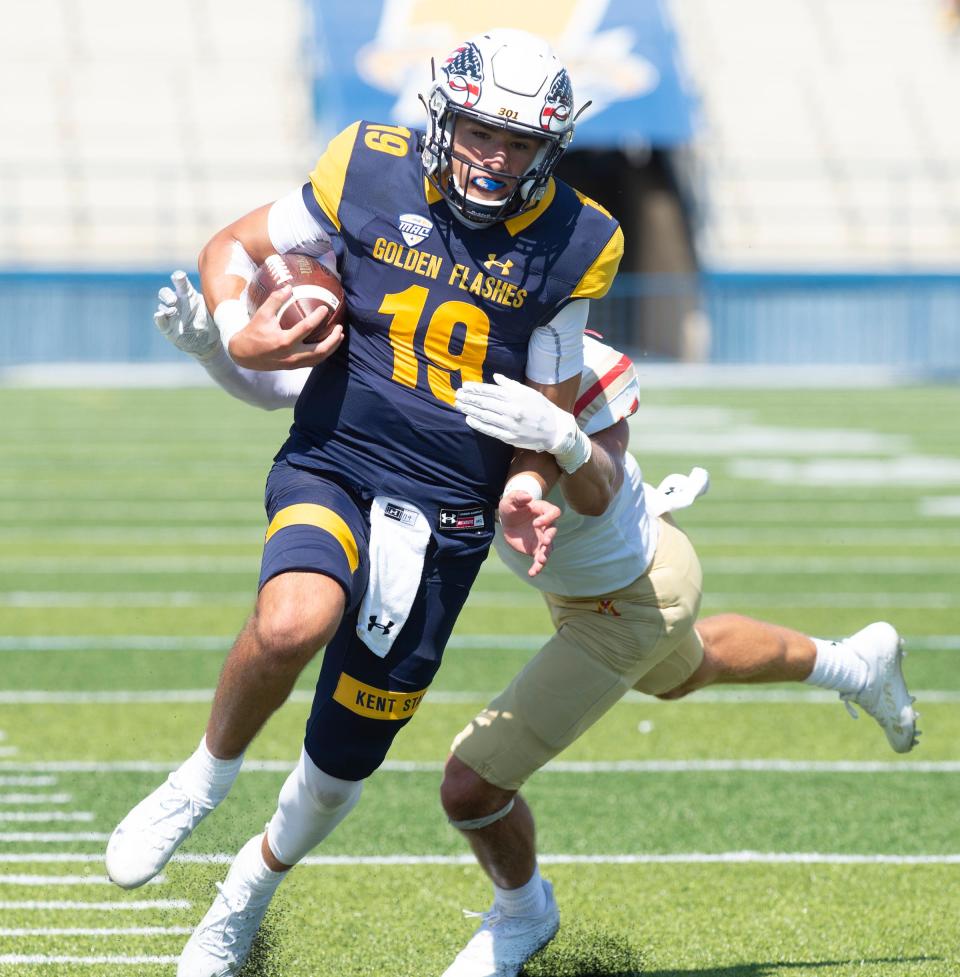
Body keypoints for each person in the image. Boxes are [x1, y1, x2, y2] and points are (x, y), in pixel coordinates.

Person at [154, 280, 919, 977]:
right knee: (687, 670)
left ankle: (524, 911)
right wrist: (212, 350)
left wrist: (561, 434)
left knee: (472, 784)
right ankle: (854, 663)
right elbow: (290, 388)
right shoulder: (444, 350)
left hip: (631, 593)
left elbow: (598, 485)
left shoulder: (583, 366)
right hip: (605, 581)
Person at [106, 28, 623, 977]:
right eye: (478, 131)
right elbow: (235, 244)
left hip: (451, 508)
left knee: (341, 763)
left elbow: (545, 409)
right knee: (294, 617)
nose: (495, 157)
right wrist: (237, 332)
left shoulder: (579, 239)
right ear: (444, 115)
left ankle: (242, 897)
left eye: (517, 143)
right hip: (338, 453)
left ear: (549, 146)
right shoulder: (367, 167)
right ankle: (200, 778)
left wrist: (525, 479)